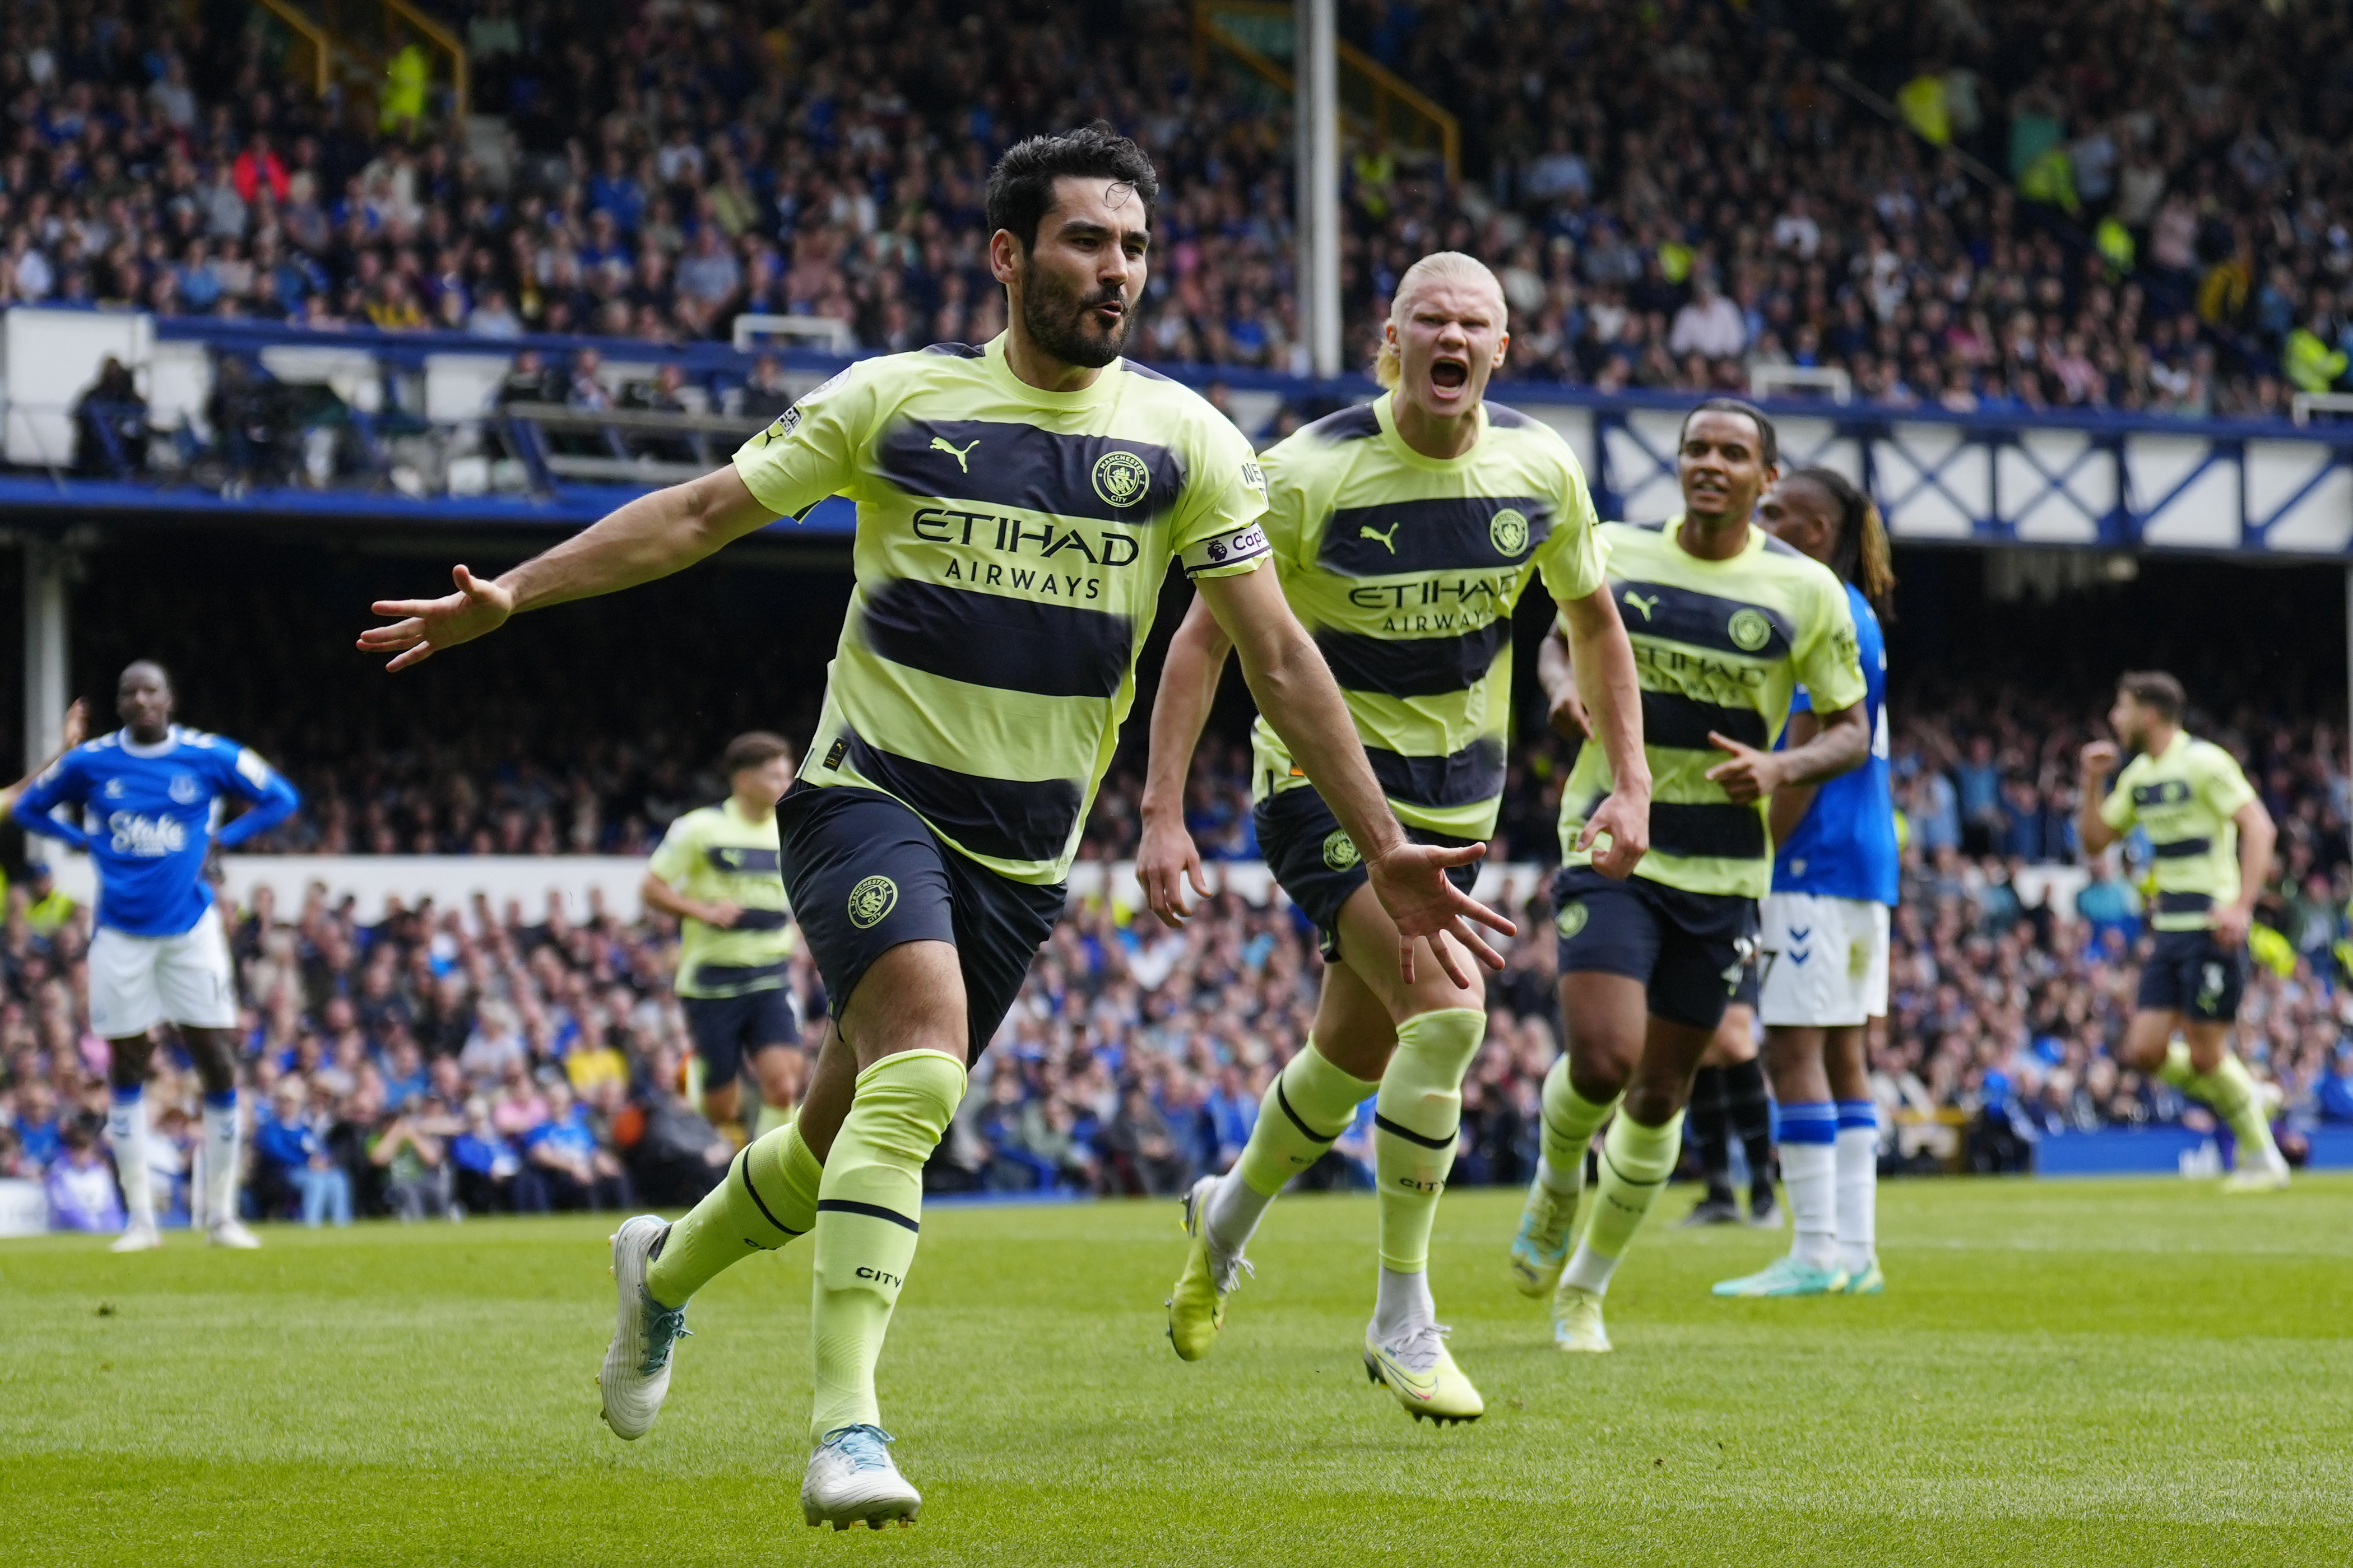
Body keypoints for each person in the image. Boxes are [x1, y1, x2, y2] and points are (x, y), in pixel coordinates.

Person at [356, 123, 1511, 1528]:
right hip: (867, 797)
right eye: (1087, 238)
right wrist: (514, 594)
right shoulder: (895, 401)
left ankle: (659, 1270)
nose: (1116, 270)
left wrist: (1379, 834)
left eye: (1135, 245)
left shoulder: (1184, 438)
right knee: (920, 1063)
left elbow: (1275, 656)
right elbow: (705, 509)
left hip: (1025, 856)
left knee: (820, 1142)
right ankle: (845, 1423)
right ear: (1007, 253)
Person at [1135, 250, 1646, 1426]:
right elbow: (1202, 643)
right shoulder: (1306, 473)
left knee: (1349, 1062)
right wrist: (1160, 809)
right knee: (1453, 1010)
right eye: (1431, 318)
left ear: (1501, 348)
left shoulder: (1538, 466)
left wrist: (1629, 781)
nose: (1452, 336)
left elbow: (1593, 623)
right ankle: (1401, 1318)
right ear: (1392, 337)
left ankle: (1221, 1220)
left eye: (1475, 320)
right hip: (1316, 795)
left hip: (1458, 812)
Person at [1506, 399, 1870, 1354]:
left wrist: (1781, 767)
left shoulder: (1804, 592)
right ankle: (1553, 1185)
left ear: (1764, 478)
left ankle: (1582, 1288)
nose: (1708, 462)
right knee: (1600, 1057)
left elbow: (1848, 726)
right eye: (1695, 448)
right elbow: (1554, 637)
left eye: (1731, 452)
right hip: (1612, 835)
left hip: (1723, 866)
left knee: (1661, 1091)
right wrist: (1555, 689)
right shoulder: (1614, 550)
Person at [13, 662, 299, 1251]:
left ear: (169, 698)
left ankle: (221, 1216)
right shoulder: (92, 762)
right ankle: (140, 1220)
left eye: (151, 690)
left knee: (217, 1062)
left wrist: (226, 840)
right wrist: (81, 840)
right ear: (120, 704)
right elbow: (25, 808)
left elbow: (281, 797)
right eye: (130, 692)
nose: (142, 699)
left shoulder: (208, 755)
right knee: (127, 1064)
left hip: (192, 933)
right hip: (119, 935)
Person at [1712, 467, 1902, 1297]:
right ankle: (1854, 1252)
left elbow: (1800, 762)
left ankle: (1817, 1248)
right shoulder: (1859, 613)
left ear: (1814, 533)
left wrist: (1750, 857)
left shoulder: (1812, 612)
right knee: (1842, 1050)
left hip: (1810, 858)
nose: (1757, 522)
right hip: (1865, 858)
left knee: (1791, 1047)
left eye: (1772, 513)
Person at [2076, 672, 2289, 1193]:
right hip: (2168, 930)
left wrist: (2241, 906)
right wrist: (2090, 782)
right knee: (2144, 1051)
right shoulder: (2140, 774)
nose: (2113, 718)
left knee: (2204, 1053)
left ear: (2149, 714)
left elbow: (2259, 827)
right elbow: (2096, 840)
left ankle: (2262, 1157)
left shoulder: (2204, 762)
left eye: (2120, 708)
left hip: (2211, 926)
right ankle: (2244, 1091)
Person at [642, 732, 802, 1141]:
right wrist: (703, 910)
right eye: (774, 776)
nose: (785, 784)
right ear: (744, 780)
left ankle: (773, 1172)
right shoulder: (700, 828)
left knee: (784, 1085)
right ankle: (695, 1076)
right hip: (712, 982)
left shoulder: (793, 831)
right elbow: (651, 887)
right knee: (722, 1106)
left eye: (788, 774)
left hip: (769, 975)